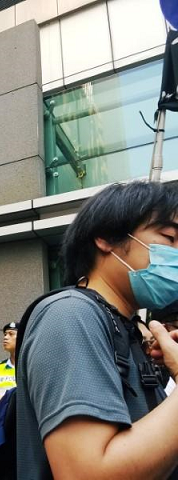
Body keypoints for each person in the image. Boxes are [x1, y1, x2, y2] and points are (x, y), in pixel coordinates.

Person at [16, 181, 178, 479]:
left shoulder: (125, 327)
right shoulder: (70, 314)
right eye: (169, 237)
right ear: (106, 238)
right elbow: (87, 472)